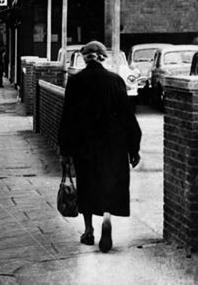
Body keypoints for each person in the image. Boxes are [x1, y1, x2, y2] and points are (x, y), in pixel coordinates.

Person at [58, 40, 141, 253]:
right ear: (103, 57)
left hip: (84, 145)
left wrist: (65, 150)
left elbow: (67, 118)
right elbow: (127, 116)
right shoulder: (115, 81)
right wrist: (134, 147)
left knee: (87, 184)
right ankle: (106, 218)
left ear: (85, 58)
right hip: (114, 145)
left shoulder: (76, 83)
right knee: (109, 183)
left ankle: (88, 230)